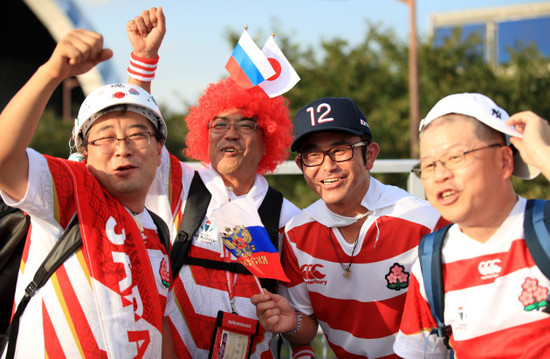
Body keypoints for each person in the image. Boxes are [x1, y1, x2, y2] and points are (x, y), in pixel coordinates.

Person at [126, 7, 305, 358]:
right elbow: (136, 130)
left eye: (245, 124)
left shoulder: (289, 218)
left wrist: (295, 328)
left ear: (268, 137)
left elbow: (300, 321)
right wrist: (144, 59)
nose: (230, 134)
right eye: (219, 124)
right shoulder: (180, 182)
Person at [0, 29, 174, 357]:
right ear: (84, 151)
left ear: (158, 148)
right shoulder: (69, 191)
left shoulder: (159, 231)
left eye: (138, 135)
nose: (122, 149)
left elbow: (156, 324)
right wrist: (51, 72)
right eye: (104, 137)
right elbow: (4, 158)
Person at [251, 97, 447, 358]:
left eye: (341, 149)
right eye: (312, 154)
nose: (327, 165)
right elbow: (306, 330)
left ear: (370, 155)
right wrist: (291, 323)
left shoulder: (426, 222)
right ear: (301, 166)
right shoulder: (297, 234)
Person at [393, 93, 550, 358]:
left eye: (456, 157)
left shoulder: (543, 227)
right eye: (429, 164)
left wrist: (542, 152)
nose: (440, 174)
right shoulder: (431, 263)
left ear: (504, 161)